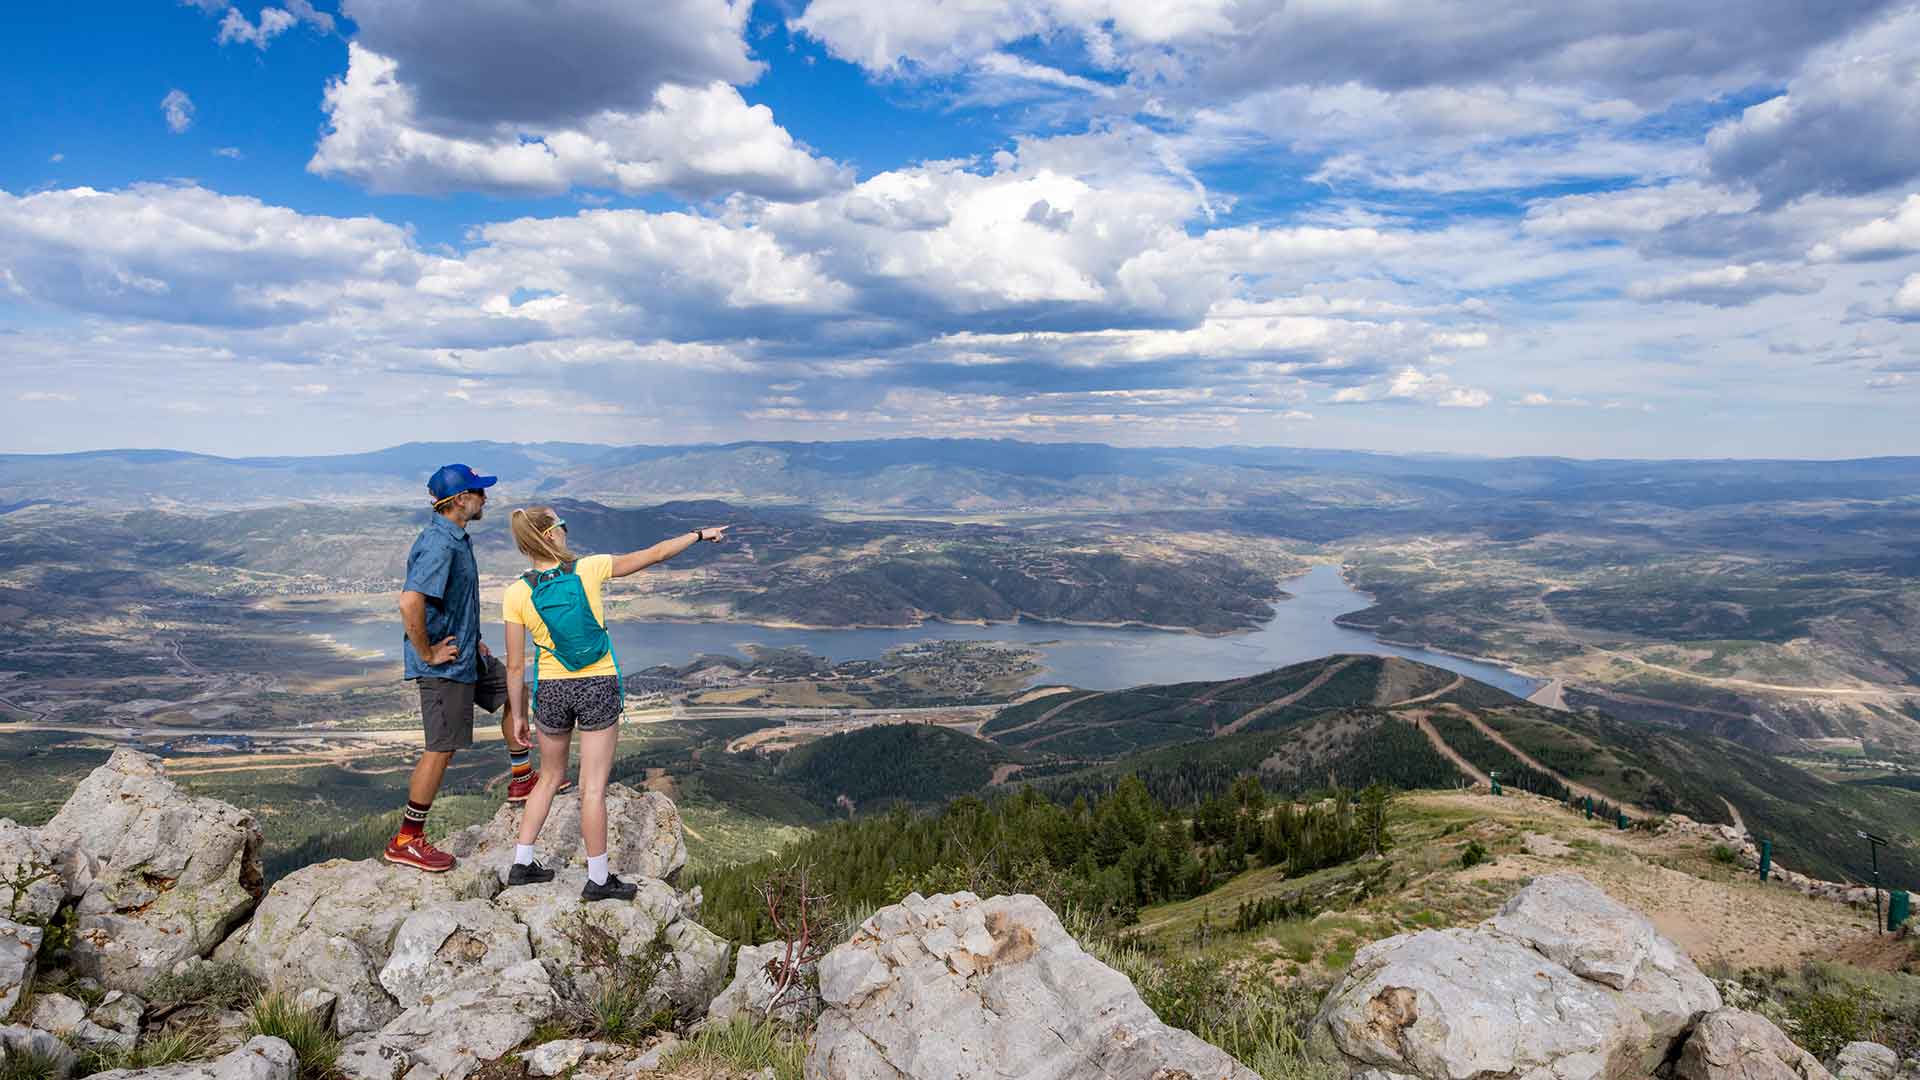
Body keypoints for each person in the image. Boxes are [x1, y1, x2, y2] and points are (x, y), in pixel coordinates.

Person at [501, 507, 728, 900]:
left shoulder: (517, 592)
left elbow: (516, 664)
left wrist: (518, 714)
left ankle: (522, 863)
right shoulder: (589, 569)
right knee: (592, 787)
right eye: (563, 527)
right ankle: (599, 878)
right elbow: (655, 553)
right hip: (596, 683)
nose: (567, 533)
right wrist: (698, 534)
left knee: (549, 777)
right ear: (551, 535)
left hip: (551, 690)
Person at [386, 464, 564, 873]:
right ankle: (406, 839)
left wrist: (470, 634)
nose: (486, 498)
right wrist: (428, 651)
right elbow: (409, 602)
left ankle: (522, 778)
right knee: (440, 749)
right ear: (460, 499)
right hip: (443, 668)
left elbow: (447, 600)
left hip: (467, 653)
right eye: (480, 493)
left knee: (513, 692)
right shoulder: (439, 544)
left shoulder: (456, 538)